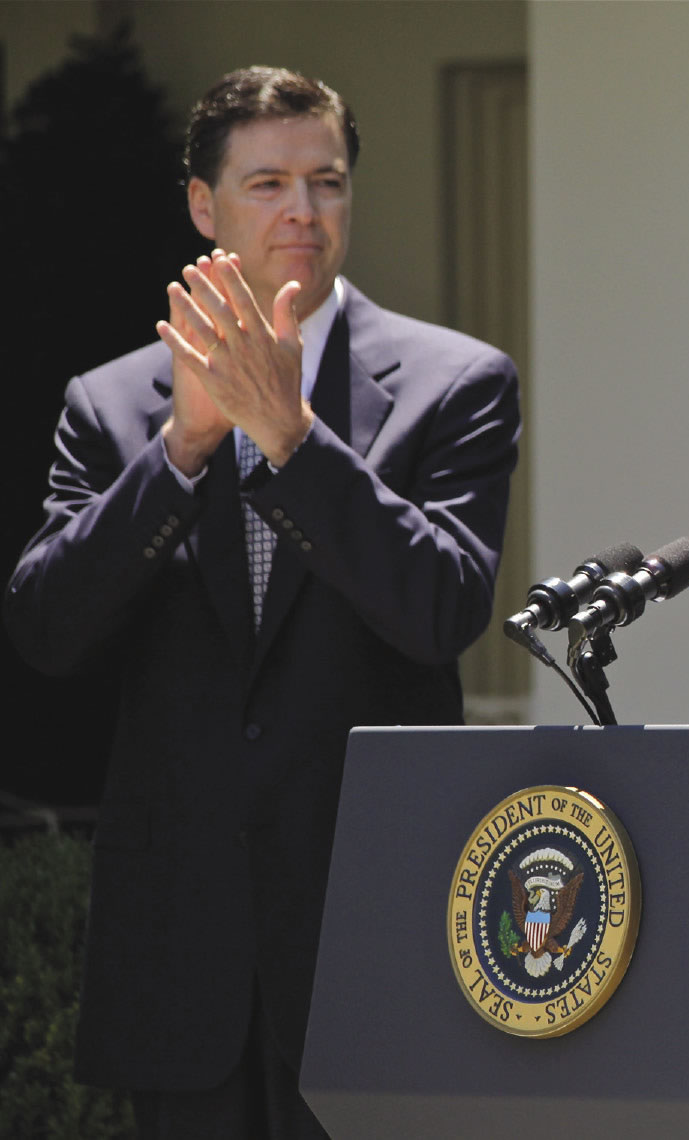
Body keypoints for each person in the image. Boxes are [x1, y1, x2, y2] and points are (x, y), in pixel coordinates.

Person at [5, 67, 520, 1137]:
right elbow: (49, 628)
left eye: (326, 182)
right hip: (179, 959)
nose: (303, 211)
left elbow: (441, 609)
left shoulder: (456, 383)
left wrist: (290, 437)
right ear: (204, 205)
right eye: (269, 184)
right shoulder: (112, 404)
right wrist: (181, 449)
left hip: (375, 941)